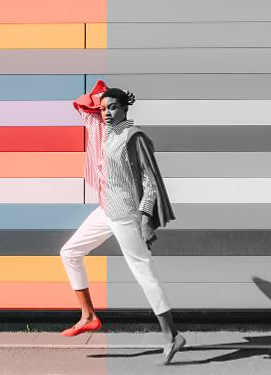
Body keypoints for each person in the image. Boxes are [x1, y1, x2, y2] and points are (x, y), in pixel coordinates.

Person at [59, 80, 186, 364]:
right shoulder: (106, 134)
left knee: (144, 272)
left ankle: (172, 335)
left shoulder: (133, 136)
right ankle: (89, 315)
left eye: (112, 107)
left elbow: (149, 182)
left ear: (124, 109)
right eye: (103, 108)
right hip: (106, 210)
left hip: (127, 215)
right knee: (69, 252)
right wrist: (102, 98)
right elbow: (82, 103)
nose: (106, 113)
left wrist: (144, 219)